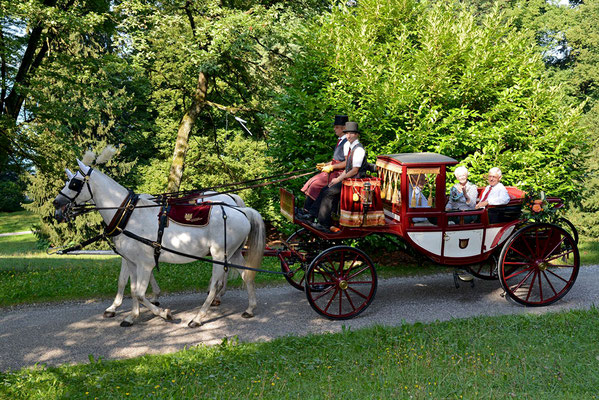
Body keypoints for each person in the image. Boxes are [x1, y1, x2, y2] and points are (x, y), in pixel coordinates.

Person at [309, 121, 367, 232]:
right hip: (350, 179)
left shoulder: (359, 150)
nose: (348, 136)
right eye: (347, 133)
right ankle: (312, 215)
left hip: (355, 182)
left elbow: (355, 170)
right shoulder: (351, 148)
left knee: (329, 192)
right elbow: (348, 169)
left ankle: (324, 224)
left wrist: (339, 179)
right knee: (326, 188)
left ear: (357, 134)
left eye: (351, 133)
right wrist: (337, 179)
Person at [299, 115, 349, 213]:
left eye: (337, 127)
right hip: (334, 169)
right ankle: (306, 210)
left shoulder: (347, 142)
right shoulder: (340, 140)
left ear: (344, 128)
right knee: (311, 181)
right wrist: (325, 164)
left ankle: (309, 212)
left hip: (339, 172)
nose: (334, 129)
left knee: (315, 184)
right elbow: (337, 159)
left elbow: (347, 162)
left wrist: (332, 167)